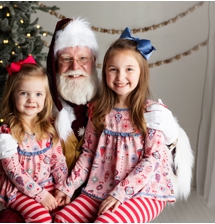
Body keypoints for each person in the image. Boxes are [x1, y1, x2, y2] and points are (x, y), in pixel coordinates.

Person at [53, 28, 175, 223]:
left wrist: (120, 193)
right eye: (113, 69)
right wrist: (67, 187)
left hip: (143, 191)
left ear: (141, 72)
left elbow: (152, 160)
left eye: (129, 69)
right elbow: (88, 153)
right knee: (62, 218)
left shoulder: (151, 113)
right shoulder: (98, 110)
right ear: (105, 71)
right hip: (100, 186)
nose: (120, 77)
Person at [0, 56, 70, 223]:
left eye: (38, 94)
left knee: (66, 214)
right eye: (24, 93)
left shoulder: (49, 129)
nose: (31, 99)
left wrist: (62, 188)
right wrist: (41, 195)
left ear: (45, 98)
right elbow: (14, 172)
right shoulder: (8, 132)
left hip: (48, 186)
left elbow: (58, 162)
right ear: (13, 96)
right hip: (19, 191)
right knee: (41, 217)